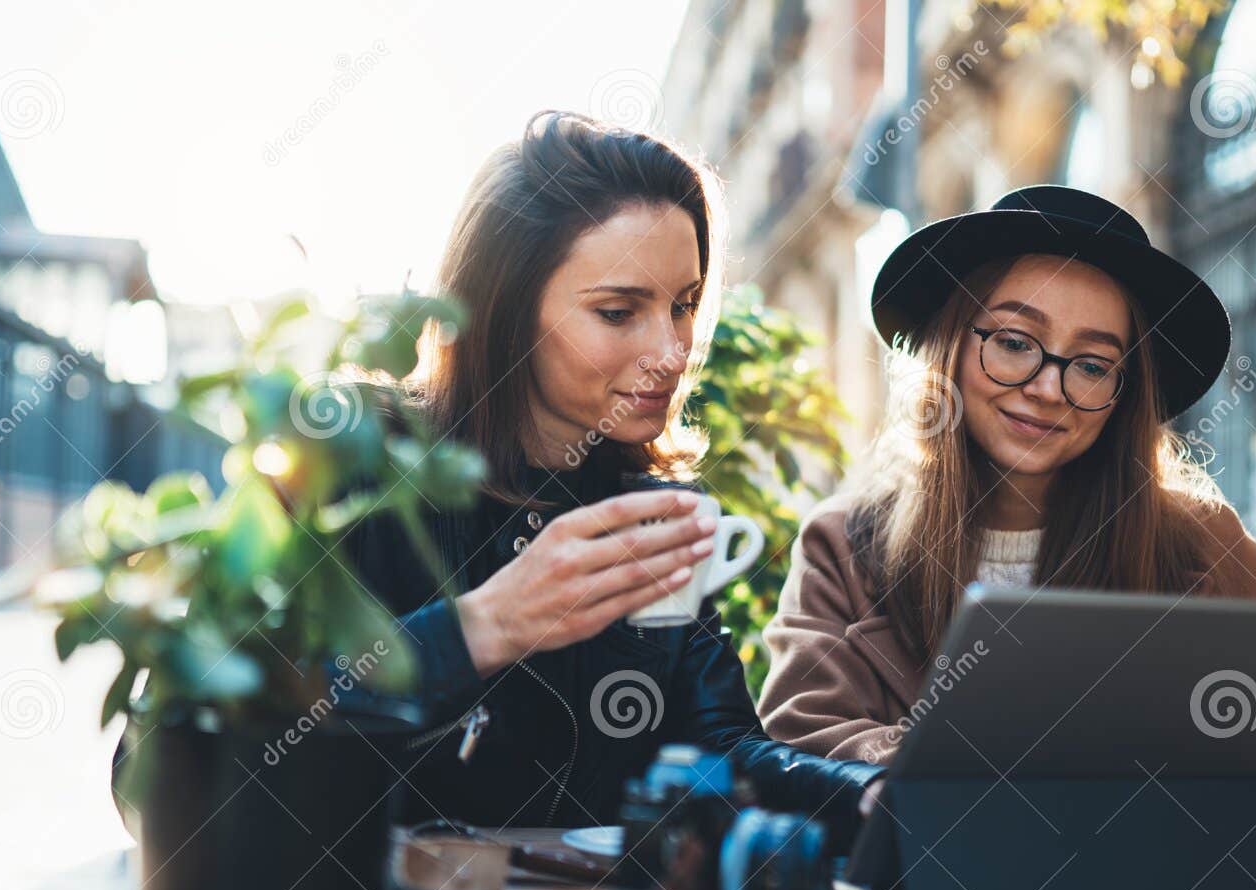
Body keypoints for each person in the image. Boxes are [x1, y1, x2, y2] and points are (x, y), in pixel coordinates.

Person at [757, 185, 1256, 844]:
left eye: (1091, 364)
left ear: (1123, 393)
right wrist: (959, 765)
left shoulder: (1200, 542)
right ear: (951, 346)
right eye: (1015, 342)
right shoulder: (845, 544)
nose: (1048, 388)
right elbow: (797, 741)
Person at [346, 110, 882, 849]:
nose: (672, 351)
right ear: (505, 309)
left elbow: (723, 751)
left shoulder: (655, 511)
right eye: (618, 311)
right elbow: (190, 752)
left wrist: (872, 794)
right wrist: (482, 626)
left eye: (684, 305)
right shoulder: (365, 465)